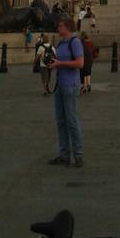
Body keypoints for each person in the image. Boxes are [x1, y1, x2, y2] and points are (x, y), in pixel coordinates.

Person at [47, 18, 84, 167]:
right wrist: (53, 64)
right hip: (60, 85)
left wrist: (60, 63)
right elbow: (59, 61)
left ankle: (78, 155)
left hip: (70, 85)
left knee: (72, 121)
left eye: (60, 25)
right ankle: (63, 154)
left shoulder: (74, 42)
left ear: (68, 27)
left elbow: (80, 63)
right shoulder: (61, 43)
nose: (58, 27)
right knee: (61, 121)